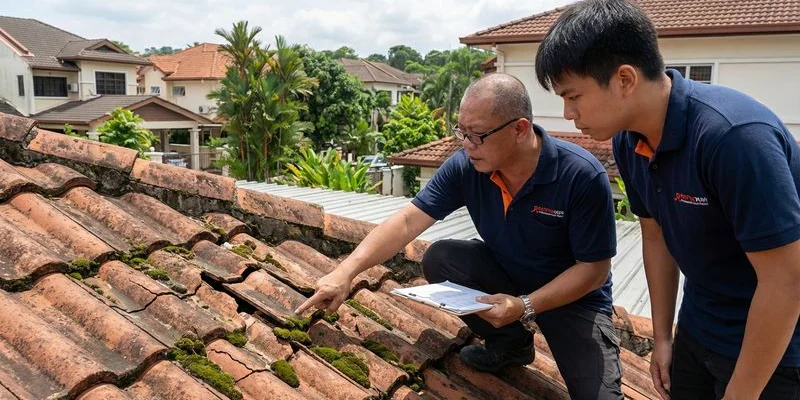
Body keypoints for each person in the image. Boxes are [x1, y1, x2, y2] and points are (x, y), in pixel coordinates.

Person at [296, 73, 624, 399]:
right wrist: (345, 273)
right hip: (508, 279)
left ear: (519, 129)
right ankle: (511, 344)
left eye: (477, 135)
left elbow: (593, 271)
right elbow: (408, 221)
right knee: (442, 258)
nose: (467, 145)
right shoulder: (467, 166)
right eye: (462, 132)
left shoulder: (580, 175)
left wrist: (524, 305)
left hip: (574, 299)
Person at [534, 1, 800, 399]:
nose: (568, 113)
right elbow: (655, 236)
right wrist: (662, 337)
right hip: (700, 323)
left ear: (624, 79)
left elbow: (786, 282)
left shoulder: (733, 138)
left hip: (773, 346)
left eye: (573, 96)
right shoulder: (629, 140)